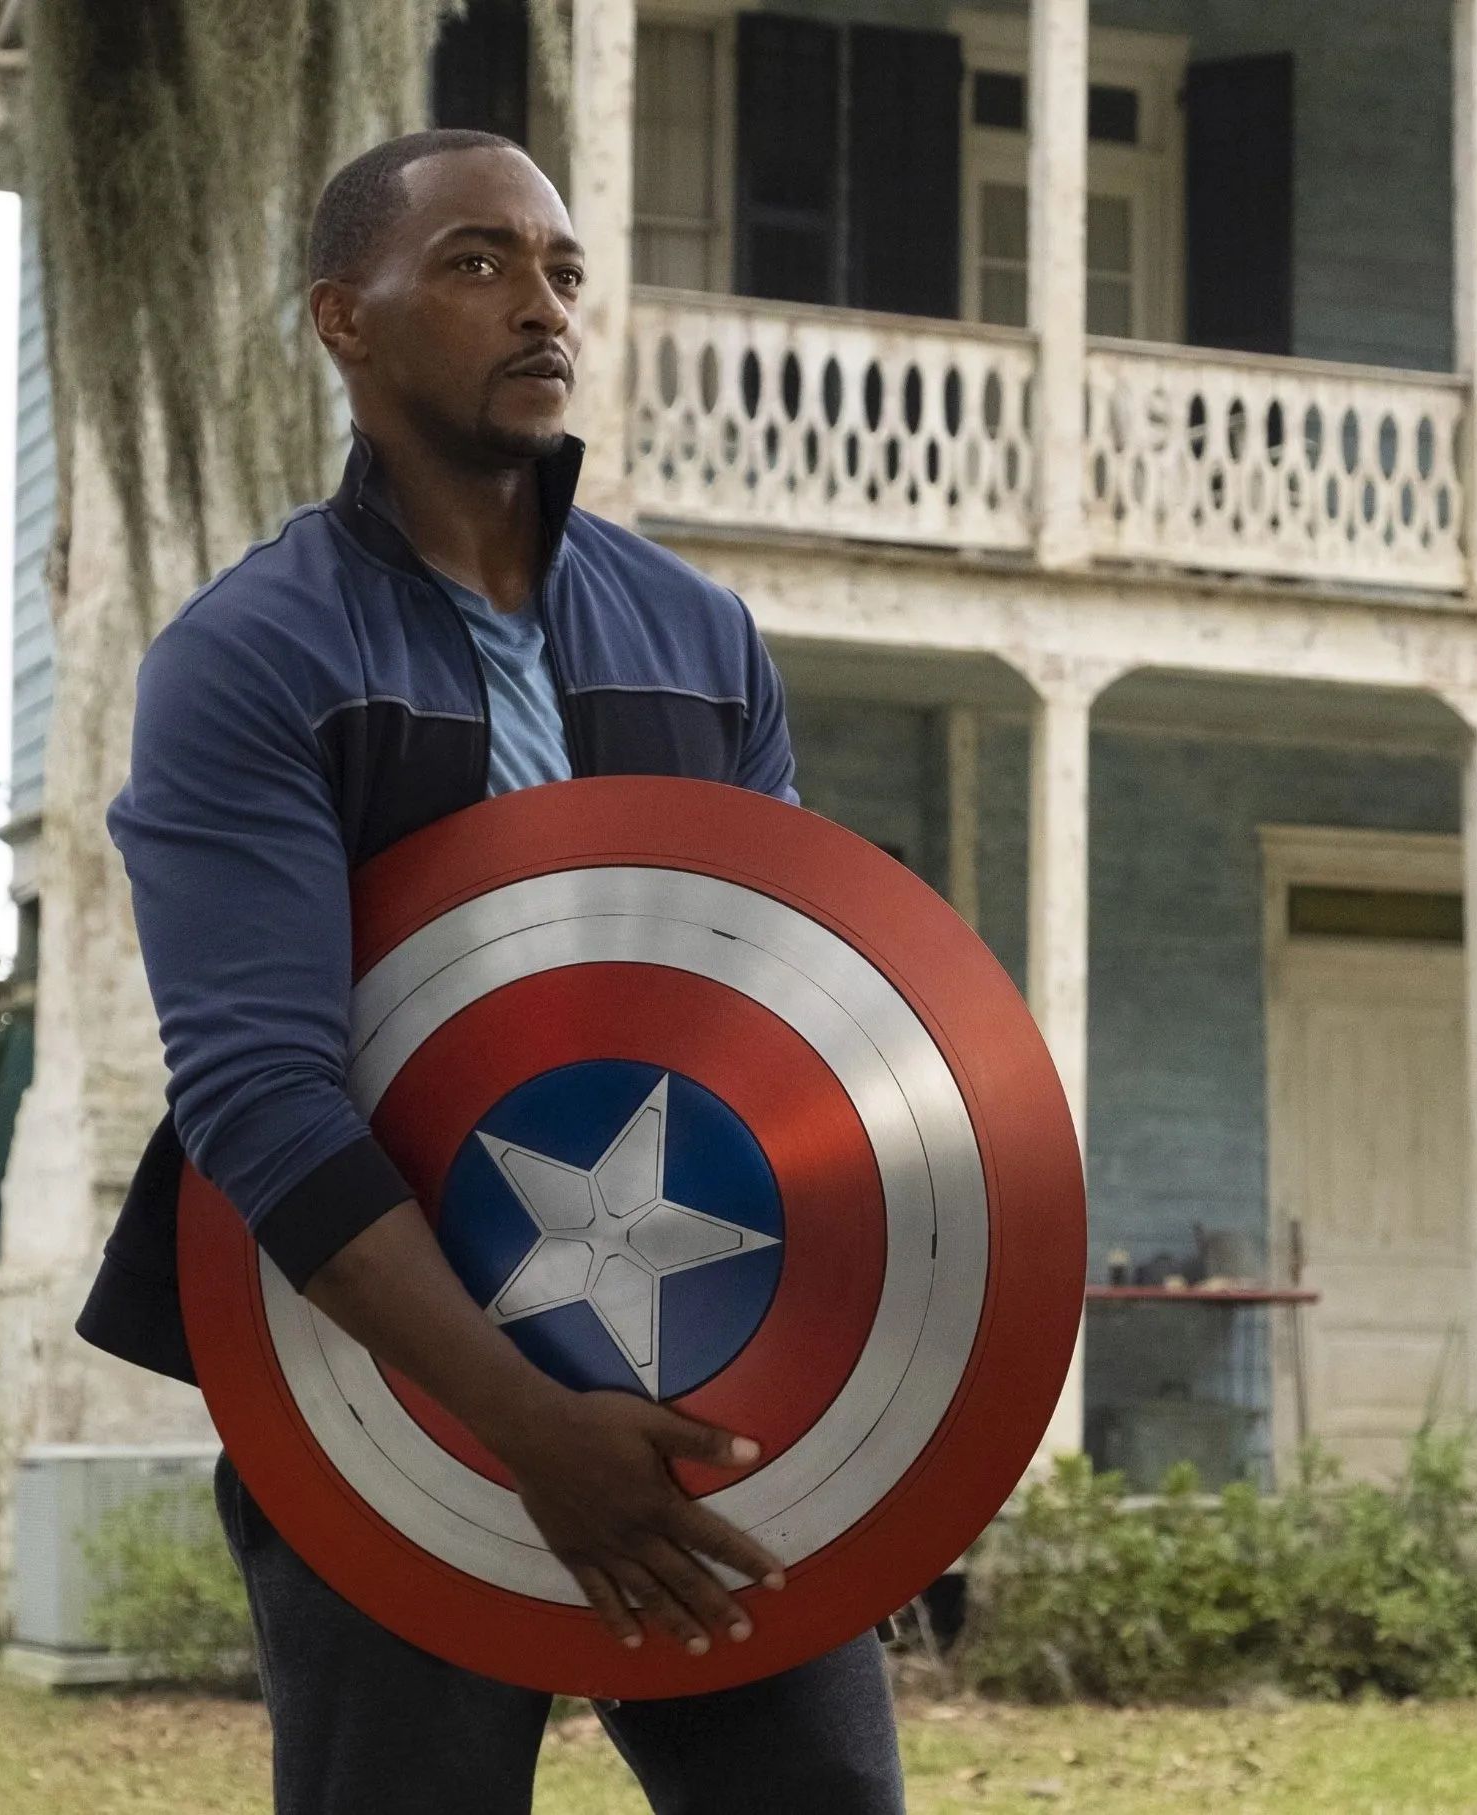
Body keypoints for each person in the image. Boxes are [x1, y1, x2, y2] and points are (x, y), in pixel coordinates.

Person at [86, 130, 908, 1815]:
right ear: (345, 319)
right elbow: (257, 1097)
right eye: (474, 263)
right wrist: (525, 1426)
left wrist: (854, 1431)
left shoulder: (700, 638)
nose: (538, 305)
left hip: (699, 1356)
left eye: (559, 270)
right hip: (370, 1383)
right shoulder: (248, 661)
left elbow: (781, 1033)